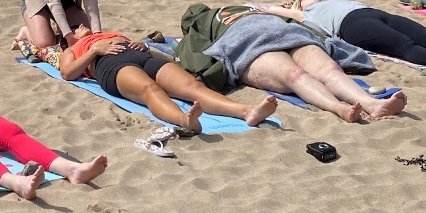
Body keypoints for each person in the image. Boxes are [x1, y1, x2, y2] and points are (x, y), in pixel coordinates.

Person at [175, 2, 407, 123]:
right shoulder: (245, 8)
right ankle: (368, 103)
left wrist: (210, 73)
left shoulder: (198, 26)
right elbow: (285, 15)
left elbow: (191, 53)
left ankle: (348, 107)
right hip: (283, 31)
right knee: (328, 70)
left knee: (294, 76)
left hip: (245, 43)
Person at [55, 30, 277, 129]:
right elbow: (67, 73)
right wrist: (93, 51)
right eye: (75, 27)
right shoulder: (73, 49)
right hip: (111, 65)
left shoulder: (105, 33)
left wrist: (140, 45)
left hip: (140, 55)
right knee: (149, 89)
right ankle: (184, 120)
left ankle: (247, 111)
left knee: (192, 85)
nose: (81, 26)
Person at [269, 0, 426, 74]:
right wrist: (290, 7)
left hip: (373, 13)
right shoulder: (305, 15)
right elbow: (268, 9)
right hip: (351, 26)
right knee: (404, 45)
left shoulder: (327, 2)